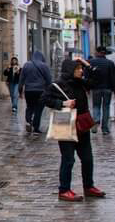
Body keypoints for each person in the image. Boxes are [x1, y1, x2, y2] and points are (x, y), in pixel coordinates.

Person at [41, 56, 106, 202]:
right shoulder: (57, 85)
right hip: (65, 126)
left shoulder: (81, 83)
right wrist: (63, 103)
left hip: (82, 125)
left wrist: (86, 63)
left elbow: (99, 78)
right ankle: (64, 190)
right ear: (70, 70)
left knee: (88, 158)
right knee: (68, 159)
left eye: (81, 68)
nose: (81, 71)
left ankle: (88, 187)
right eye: (78, 68)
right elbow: (44, 99)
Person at [19, 51, 52, 134]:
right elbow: (49, 80)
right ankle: (36, 127)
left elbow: (21, 79)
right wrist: (49, 92)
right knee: (39, 109)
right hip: (41, 91)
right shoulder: (44, 66)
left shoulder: (26, 65)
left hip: (29, 90)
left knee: (29, 106)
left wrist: (20, 91)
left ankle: (28, 121)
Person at [88, 46, 115, 134]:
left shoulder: (91, 62)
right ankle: (105, 129)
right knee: (106, 107)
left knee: (96, 106)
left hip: (95, 88)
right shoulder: (110, 63)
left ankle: (96, 121)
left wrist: (87, 88)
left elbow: (87, 76)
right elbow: (113, 77)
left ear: (98, 52)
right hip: (107, 88)